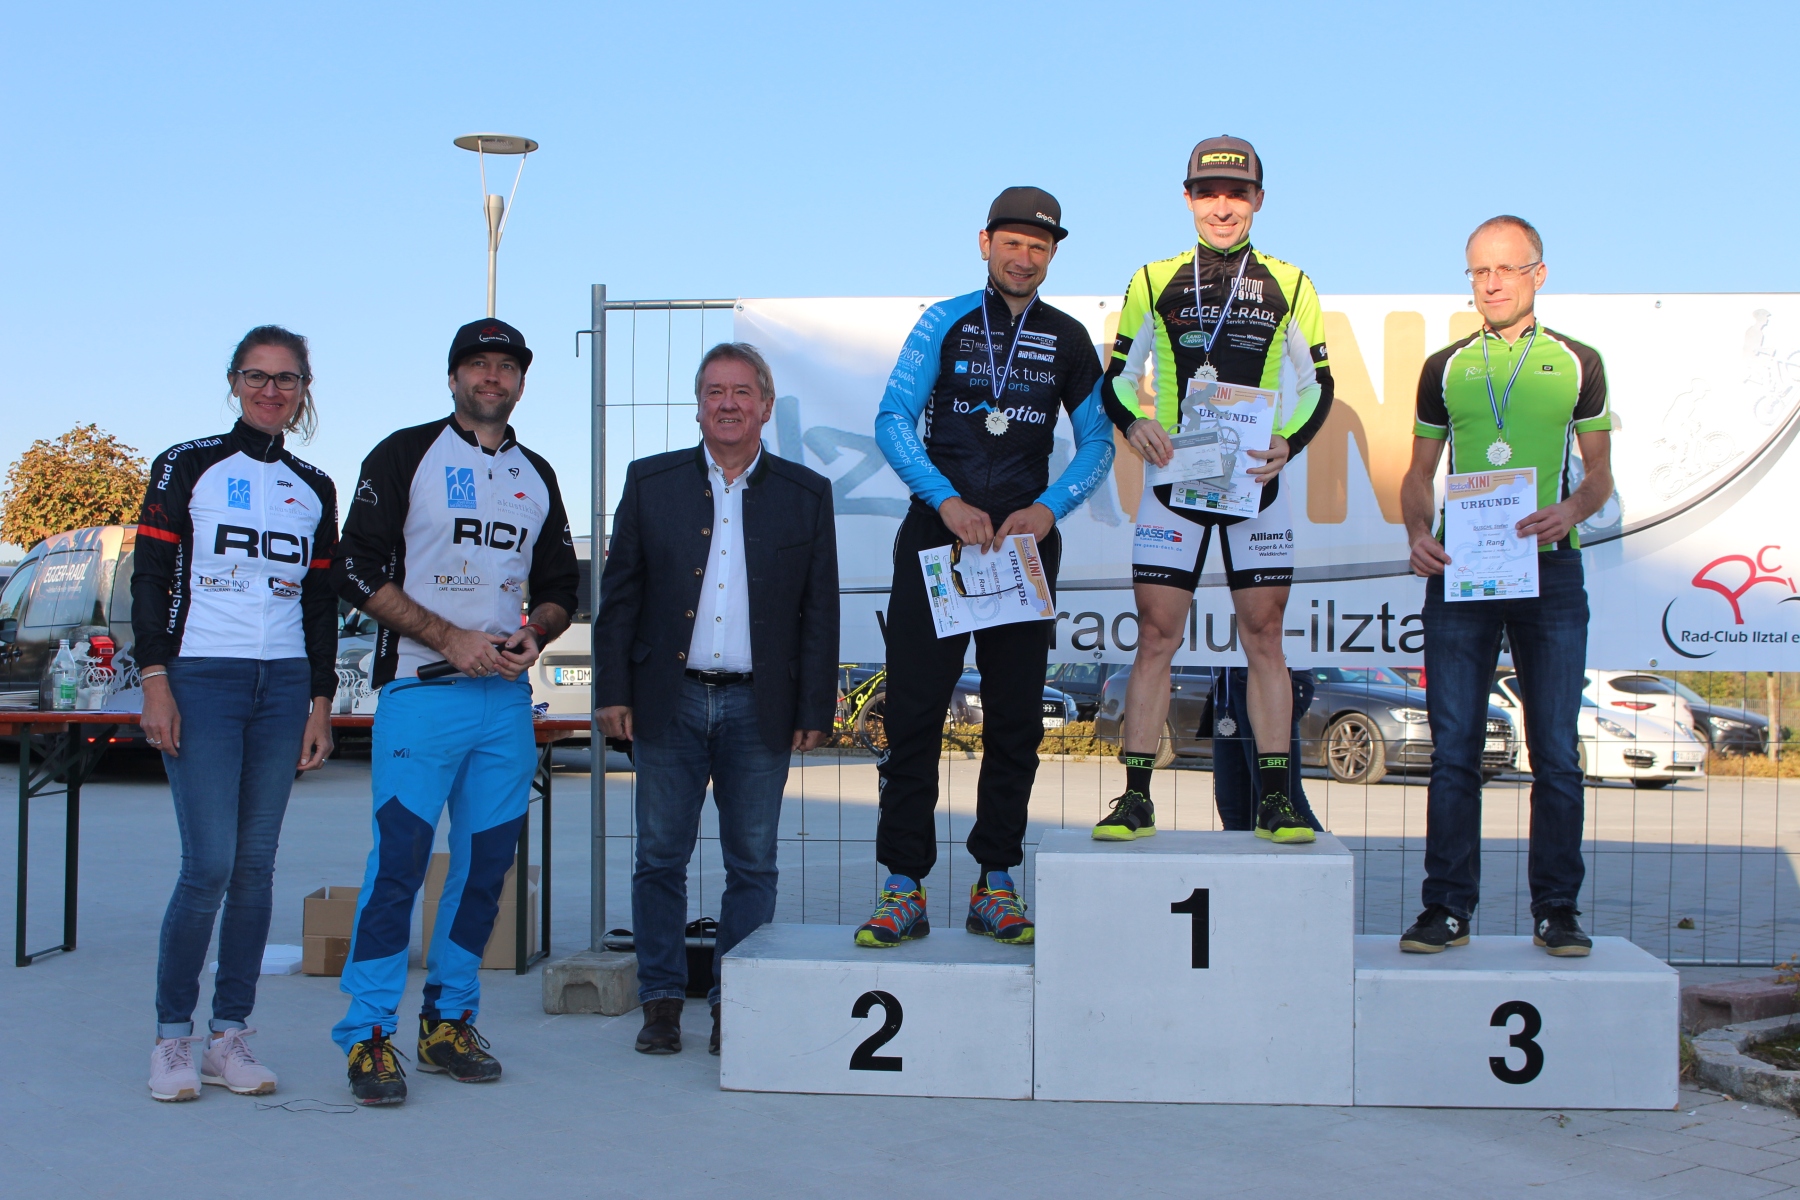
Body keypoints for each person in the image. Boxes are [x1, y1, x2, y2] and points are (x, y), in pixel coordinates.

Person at [328, 319, 579, 1103]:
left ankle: (448, 1021)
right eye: (477, 364)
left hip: (503, 703)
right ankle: (369, 1033)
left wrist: (535, 632)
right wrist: (448, 637)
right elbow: (352, 567)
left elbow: (561, 587)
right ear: (452, 377)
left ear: (522, 383)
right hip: (420, 691)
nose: (491, 376)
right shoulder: (406, 454)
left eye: (506, 366)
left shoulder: (537, 473)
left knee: (484, 872)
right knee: (399, 866)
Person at [860, 186, 1114, 949]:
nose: (1024, 258)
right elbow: (892, 419)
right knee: (913, 715)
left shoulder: (1068, 337)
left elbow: (1099, 443)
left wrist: (1049, 509)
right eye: (1012, 243)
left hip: (1022, 547)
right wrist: (943, 500)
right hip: (940, 539)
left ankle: (995, 882)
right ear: (985, 243)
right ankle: (902, 886)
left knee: (1014, 722)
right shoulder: (942, 321)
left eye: (1039, 247)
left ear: (1052, 254)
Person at [594, 342, 838, 1056]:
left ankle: (739, 1001)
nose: (727, 404)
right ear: (698, 406)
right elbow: (619, 598)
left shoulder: (805, 493)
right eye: (714, 392)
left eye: (741, 392)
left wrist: (814, 707)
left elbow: (819, 610)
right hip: (665, 701)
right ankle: (662, 1001)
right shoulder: (650, 482)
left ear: (765, 405)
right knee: (658, 858)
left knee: (752, 863)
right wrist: (612, 690)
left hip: (759, 707)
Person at [1097, 136, 1334, 846]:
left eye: (1236, 193)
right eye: (1208, 193)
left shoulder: (1291, 283)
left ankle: (1276, 800)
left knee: (1265, 637)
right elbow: (1117, 376)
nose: (1222, 207)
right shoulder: (1153, 279)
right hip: (1177, 479)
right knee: (1155, 636)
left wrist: (1289, 441)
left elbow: (1318, 384)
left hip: (1254, 481)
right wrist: (1135, 422)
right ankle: (1136, 798)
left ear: (1258, 199)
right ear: (1188, 198)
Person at [134, 325, 339, 1102]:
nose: (271, 390)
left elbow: (319, 603)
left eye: (287, 379)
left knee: (255, 868)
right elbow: (150, 577)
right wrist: (157, 679)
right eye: (257, 376)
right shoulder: (187, 465)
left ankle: (230, 1036)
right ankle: (171, 1039)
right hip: (203, 678)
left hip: (282, 685)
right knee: (209, 865)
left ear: (304, 390)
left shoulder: (314, 486)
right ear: (234, 381)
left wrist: (321, 701)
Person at [1399, 215, 1611, 957]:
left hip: (1550, 571)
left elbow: (1600, 475)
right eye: (1478, 272)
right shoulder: (1445, 366)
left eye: (1505, 269)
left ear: (1537, 274)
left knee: (1554, 751)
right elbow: (1418, 475)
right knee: (1455, 751)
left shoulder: (1579, 362)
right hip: (1462, 572)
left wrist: (1571, 510)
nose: (1490, 284)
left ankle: (1558, 911)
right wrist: (1417, 532)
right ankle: (1446, 909)